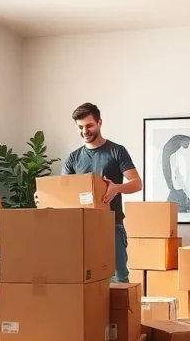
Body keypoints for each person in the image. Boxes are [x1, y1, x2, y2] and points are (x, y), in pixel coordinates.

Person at [52, 102, 142, 283]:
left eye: (89, 125)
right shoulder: (73, 158)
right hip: (82, 228)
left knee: (119, 279)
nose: (85, 131)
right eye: (80, 127)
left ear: (99, 122)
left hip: (112, 225)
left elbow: (137, 183)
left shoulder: (116, 151)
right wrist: (43, 198)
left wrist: (117, 188)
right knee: (86, 281)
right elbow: (63, 192)